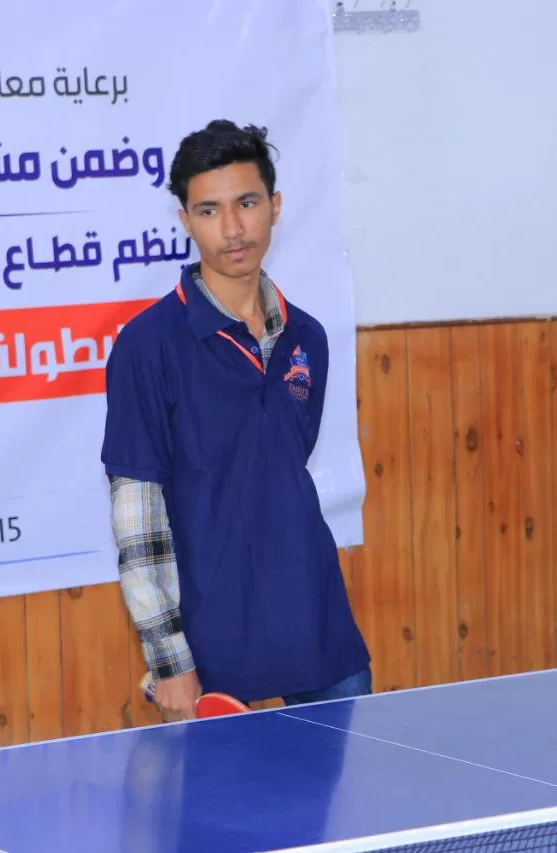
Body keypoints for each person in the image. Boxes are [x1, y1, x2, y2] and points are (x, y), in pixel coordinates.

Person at [101, 119, 371, 722]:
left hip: (320, 629)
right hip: (212, 647)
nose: (232, 228)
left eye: (247, 203)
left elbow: (282, 470)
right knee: (225, 819)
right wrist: (170, 661)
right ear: (185, 221)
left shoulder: (308, 338)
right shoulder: (148, 347)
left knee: (351, 816)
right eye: (209, 210)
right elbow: (137, 520)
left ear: (274, 207)